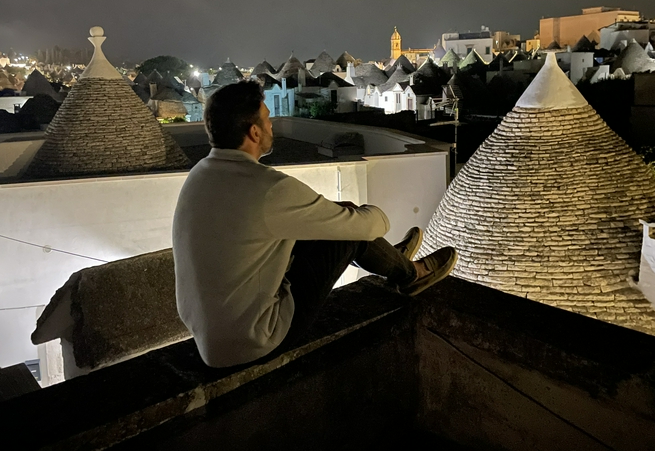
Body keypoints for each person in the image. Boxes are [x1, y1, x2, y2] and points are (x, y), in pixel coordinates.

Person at [172, 81, 456, 368]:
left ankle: (390, 259)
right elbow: (371, 225)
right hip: (254, 339)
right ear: (254, 132)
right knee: (349, 231)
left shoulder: (199, 176)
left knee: (327, 221)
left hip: (210, 342)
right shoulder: (267, 188)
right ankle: (411, 274)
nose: (272, 126)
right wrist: (363, 214)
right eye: (267, 120)